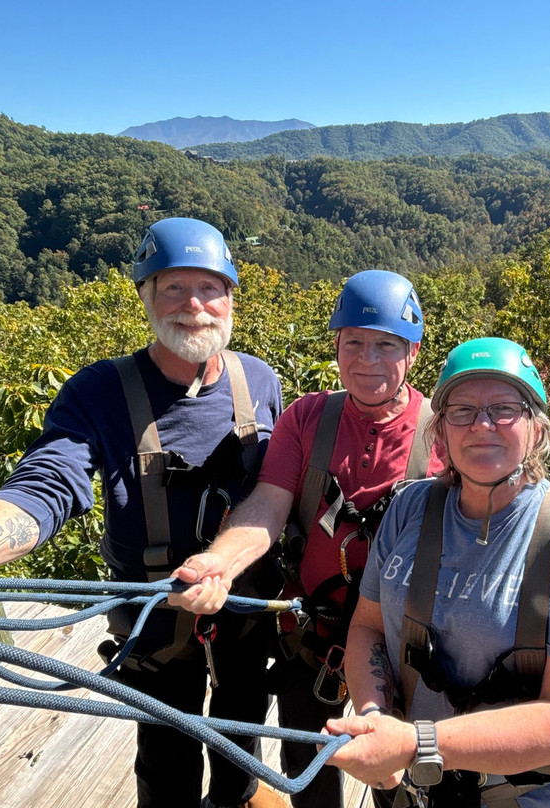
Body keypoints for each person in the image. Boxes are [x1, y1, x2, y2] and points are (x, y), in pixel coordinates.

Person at [0, 218, 287, 808]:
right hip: (152, 619)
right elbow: (44, 488)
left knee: (242, 723)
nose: (195, 307)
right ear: (145, 296)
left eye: (210, 288)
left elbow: (276, 488)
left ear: (231, 296)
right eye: (174, 289)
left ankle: (238, 794)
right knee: (167, 755)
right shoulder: (101, 392)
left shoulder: (259, 380)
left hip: (243, 604)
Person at [170, 270, 444, 808]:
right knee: (310, 771)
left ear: (412, 352)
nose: (367, 359)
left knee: (403, 786)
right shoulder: (309, 418)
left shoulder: (444, 431)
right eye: (355, 343)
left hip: (404, 644)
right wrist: (219, 562)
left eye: (385, 345)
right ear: (337, 345)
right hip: (311, 638)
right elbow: (269, 503)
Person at [323, 337, 550, 808]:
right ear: (441, 430)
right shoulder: (411, 508)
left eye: (504, 409)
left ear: (535, 425)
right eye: (462, 411)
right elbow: (366, 626)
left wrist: (412, 745)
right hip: (411, 788)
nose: (482, 425)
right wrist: (373, 718)